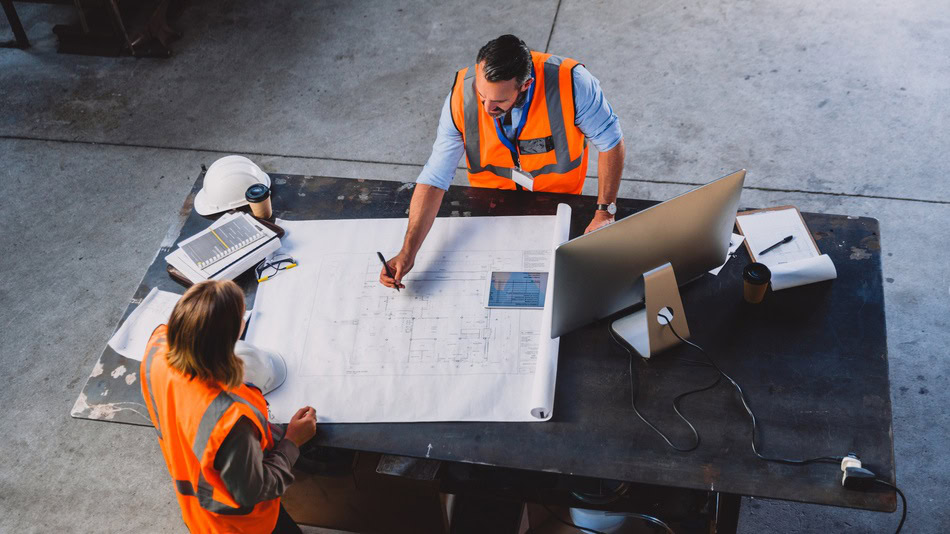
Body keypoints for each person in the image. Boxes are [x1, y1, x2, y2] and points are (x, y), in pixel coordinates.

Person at [381, 34, 624, 289]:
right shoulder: (460, 97)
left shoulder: (572, 84)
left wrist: (605, 212)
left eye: (499, 102)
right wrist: (408, 251)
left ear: (525, 85)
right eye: (482, 95)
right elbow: (435, 178)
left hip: (559, 205)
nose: (486, 109)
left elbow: (611, 143)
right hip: (490, 208)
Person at [140, 279, 317, 533]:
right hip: (237, 525)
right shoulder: (229, 420)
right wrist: (292, 441)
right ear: (231, 341)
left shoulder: (157, 350)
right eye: (241, 317)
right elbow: (256, 489)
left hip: (196, 508)